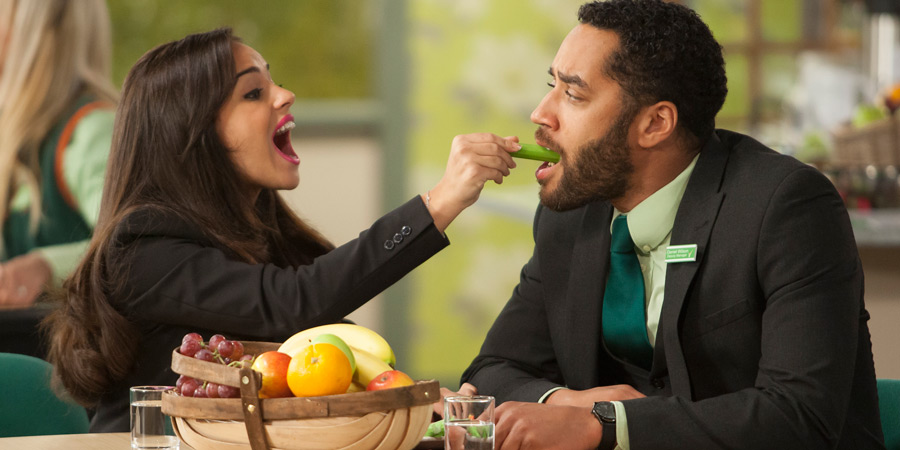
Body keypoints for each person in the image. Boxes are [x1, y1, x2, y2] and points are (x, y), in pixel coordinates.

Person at [42, 28, 520, 432]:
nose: (285, 95)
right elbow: (293, 305)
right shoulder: (141, 245)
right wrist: (438, 202)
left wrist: (411, 393)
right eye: (253, 93)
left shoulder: (257, 230)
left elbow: (326, 337)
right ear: (194, 133)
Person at [455, 1, 885, 449]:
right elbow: (492, 370)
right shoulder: (570, 214)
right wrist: (564, 402)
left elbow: (800, 416)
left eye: (573, 94)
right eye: (552, 85)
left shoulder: (787, 206)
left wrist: (605, 425)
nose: (541, 114)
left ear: (655, 123)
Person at [0, 0, 117, 308]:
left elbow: (135, 245)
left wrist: (47, 266)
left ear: (31, 34)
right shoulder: (17, 138)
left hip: (65, 351)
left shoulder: (91, 130)